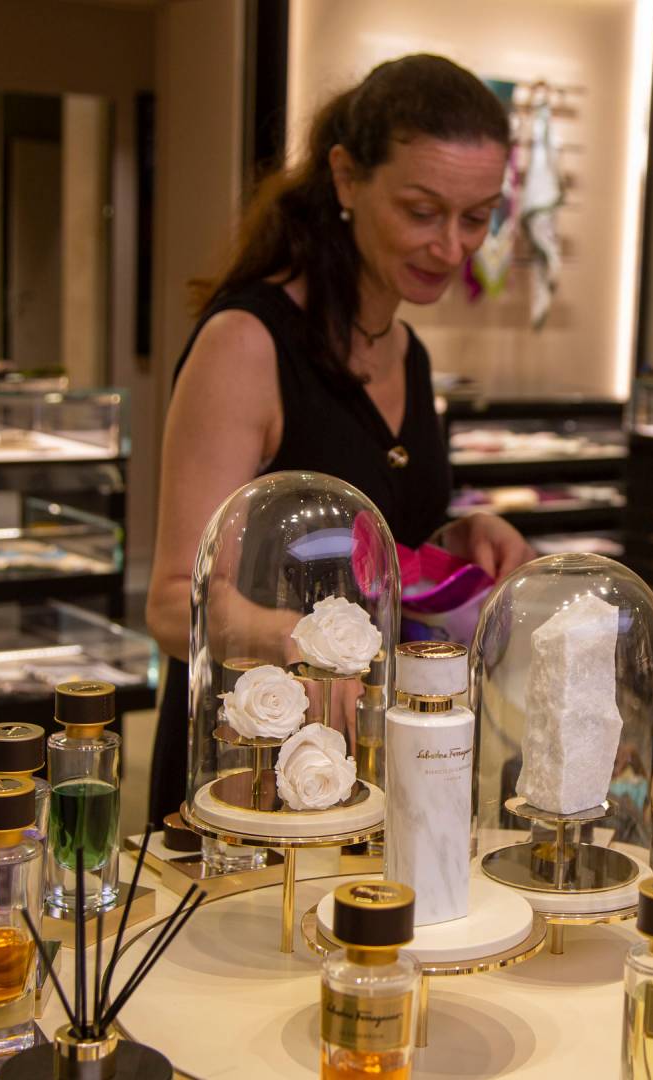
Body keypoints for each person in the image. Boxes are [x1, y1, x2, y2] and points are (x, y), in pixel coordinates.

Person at [145, 54, 534, 824]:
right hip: (249, 766)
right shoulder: (248, 344)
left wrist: (457, 535)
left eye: (477, 216)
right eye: (422, 211)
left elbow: (370, 547)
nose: (452, 246)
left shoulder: (408, 353)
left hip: (371, 760)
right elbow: (171, 605)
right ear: (347, 178)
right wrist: (305, 643)